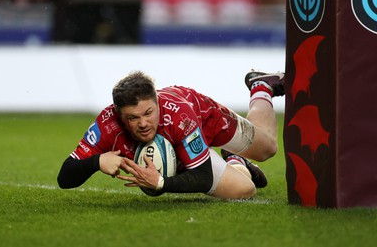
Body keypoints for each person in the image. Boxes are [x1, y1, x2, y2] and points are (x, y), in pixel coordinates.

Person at [57, 70, 284, 199]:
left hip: (203, 118)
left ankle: (261, 87)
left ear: (158, 102)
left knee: (268, 149)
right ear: (119, 115)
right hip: (179, 144)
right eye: (133, 118)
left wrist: (162, 183)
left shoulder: (179, 115)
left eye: (148, 113)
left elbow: (203, 176)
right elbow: (64, 177)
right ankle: (236, 160)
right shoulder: (107, 124)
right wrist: (97, 161)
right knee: (245, 190)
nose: (143, 124)